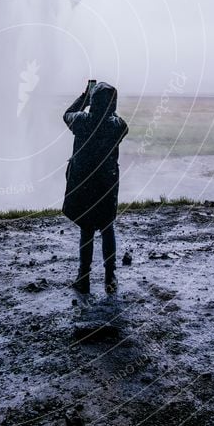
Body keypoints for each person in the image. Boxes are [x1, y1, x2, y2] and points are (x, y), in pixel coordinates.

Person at [62, 81, 128, 295]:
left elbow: (68, 113)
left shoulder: (82, 121)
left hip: (84, 183)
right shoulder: (117, 125)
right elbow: (122, 125)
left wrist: (85, 96)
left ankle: (83, 277)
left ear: (93, 101)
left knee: (86, 229)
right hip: (106, 183)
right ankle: (110, 278)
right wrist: (108, 108)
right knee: (108, 228)